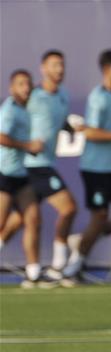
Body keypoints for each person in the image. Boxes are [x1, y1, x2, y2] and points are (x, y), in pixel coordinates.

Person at [62, 49, 111, 279]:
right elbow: (90, 133)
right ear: (107, 70)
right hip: (94, 168)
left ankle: (85, 239)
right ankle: (73, 267)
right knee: (100, 216)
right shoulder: (98, 97)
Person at [2, 51, 79, 284]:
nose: (60, 69)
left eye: (62, 65)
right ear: (43, 69)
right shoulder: (27, 99)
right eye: (54, 65)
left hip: (30, 169)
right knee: (68, 208)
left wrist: (69, 127)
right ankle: (58, 265)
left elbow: (55, 120)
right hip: (32, 166)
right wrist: (27, 145)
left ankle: (33, 273)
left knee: (25, 220)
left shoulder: (61, 95)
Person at [0, 69, 52, 288]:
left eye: (28, 83)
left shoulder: (29, 109)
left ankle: (33, 274)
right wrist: (27, 146)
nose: (26, 88)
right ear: (12, 88)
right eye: (21, 84)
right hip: (3, 174)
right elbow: (1, 137)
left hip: (22, 175)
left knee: (33, 220)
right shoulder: (9, 110)